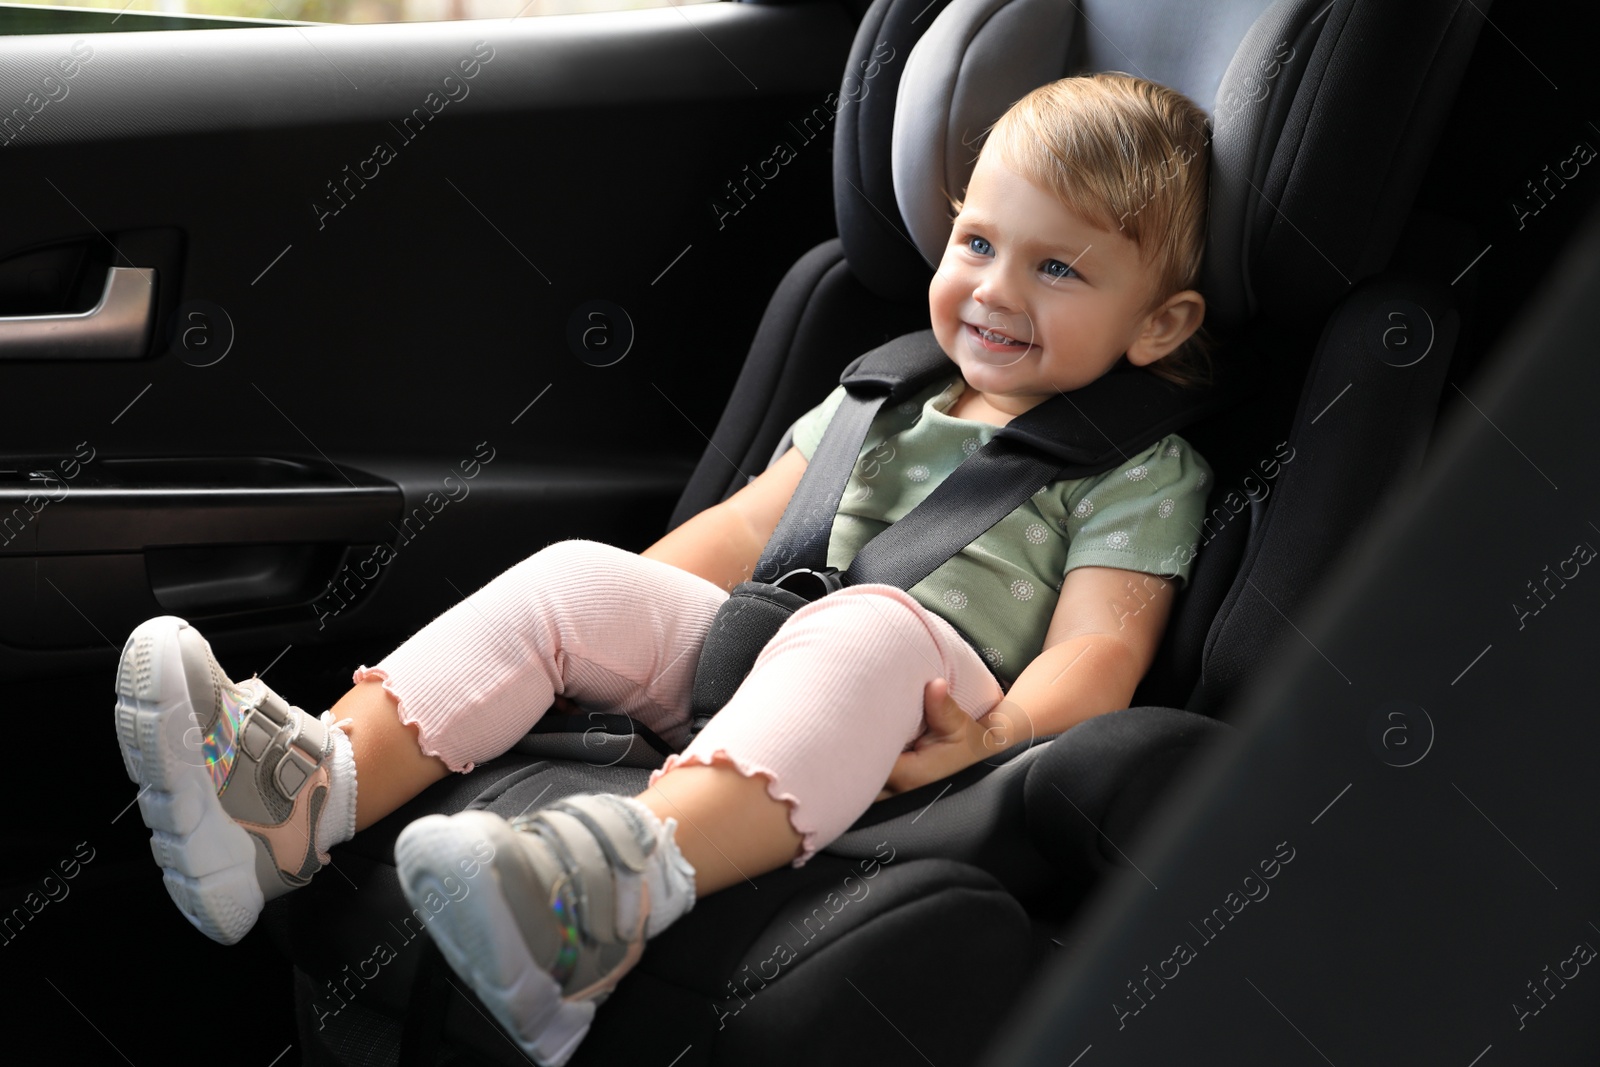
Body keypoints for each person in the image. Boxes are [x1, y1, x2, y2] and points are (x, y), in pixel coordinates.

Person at [112, 71, 1216, 1065]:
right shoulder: (879, 390)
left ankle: (599, 899)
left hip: (937, 722)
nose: (995, 289)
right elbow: (738, 537)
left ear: (1160, 324)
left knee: (869, 621)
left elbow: (1098, 648)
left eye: (1056, 266)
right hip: (772, 658)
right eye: (975, 242)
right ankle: (295, 798)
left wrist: (1000, 738)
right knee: (576, 575)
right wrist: (613, 640)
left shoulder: (1136, 467)